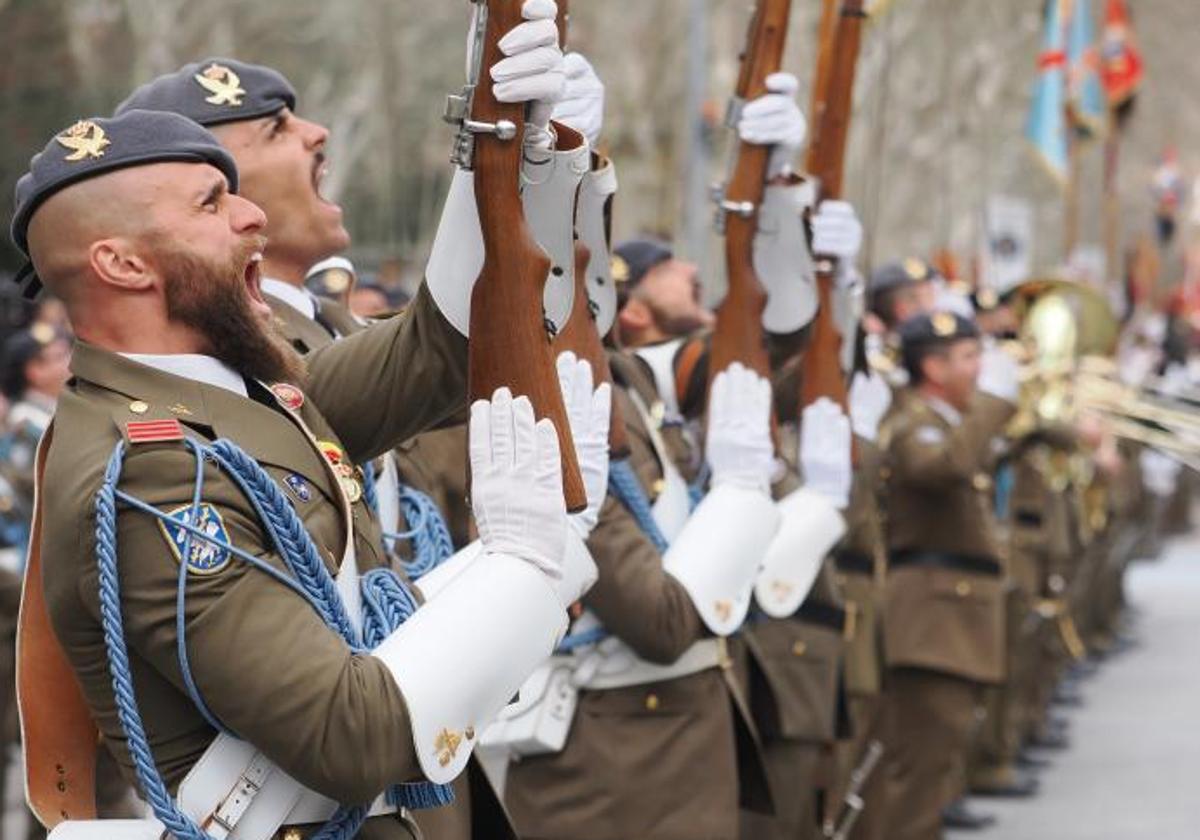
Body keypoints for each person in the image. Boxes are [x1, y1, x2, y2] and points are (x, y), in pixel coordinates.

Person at [11, 97, 595, 840]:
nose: (252, 217)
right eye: (211, 204)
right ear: (123, 264)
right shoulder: (150, 470)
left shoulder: (239, 395)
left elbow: (445, 345)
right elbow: (347, 738)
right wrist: (518, 571)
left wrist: (521, 155)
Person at [875, 311, 1019, 840]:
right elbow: (939, 470)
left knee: (935, 769)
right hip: (931, 624)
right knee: (917, 771)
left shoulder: (947, 423)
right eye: (969, 358)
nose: (980, 371)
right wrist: (994, 406)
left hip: (951, 622)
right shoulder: (915, 423)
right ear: (932, 367)